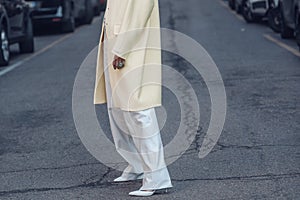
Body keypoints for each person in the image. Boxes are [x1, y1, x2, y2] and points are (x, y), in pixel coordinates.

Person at [93, 0, 173, 197]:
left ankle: (157, 177)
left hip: (130, 49)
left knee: (139, 112)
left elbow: (140, 13)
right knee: (117, 110)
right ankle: (136, 164)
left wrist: (122, 49)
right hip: (112, 43)